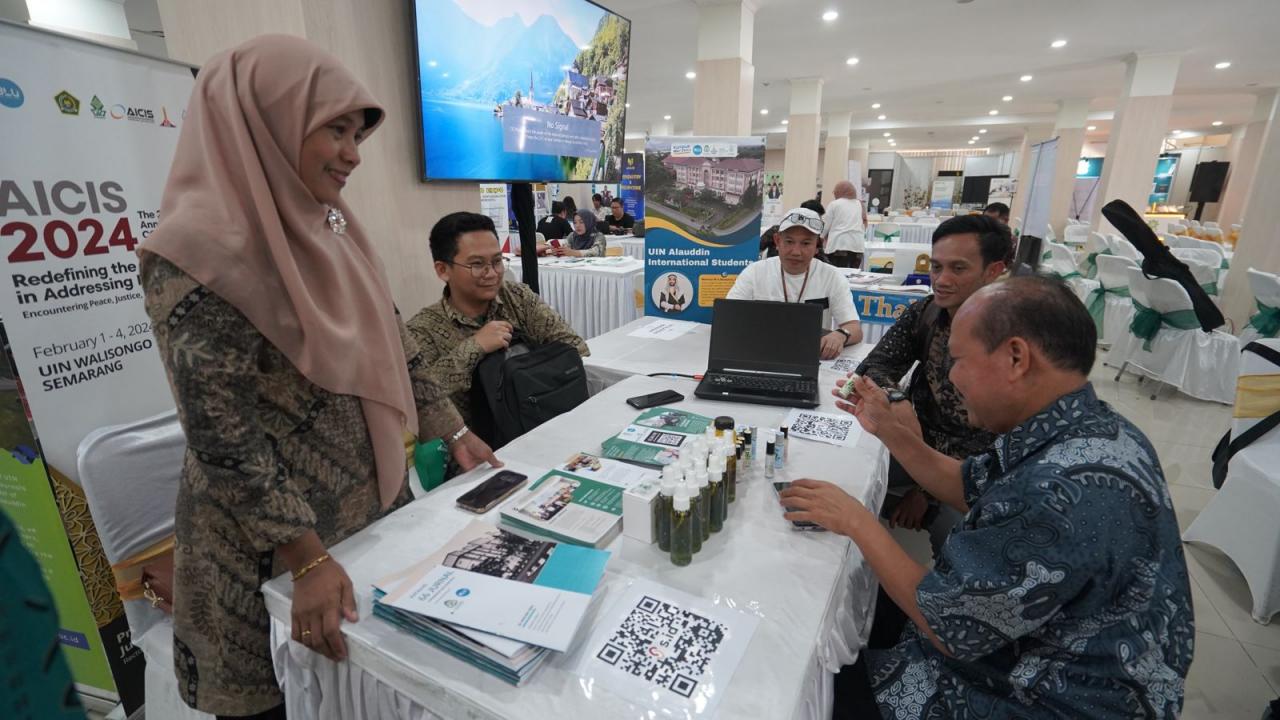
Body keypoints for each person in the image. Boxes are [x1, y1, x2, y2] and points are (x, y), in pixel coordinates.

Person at [138, 35, 499, 719]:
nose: (353, 153)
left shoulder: (332, 231)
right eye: (334, 128)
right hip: (269, 557)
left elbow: (395, 348)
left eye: (356, 133)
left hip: (366, 526)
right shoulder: (194, 254)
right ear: (264, 120)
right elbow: (223, 438)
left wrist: (452, 429)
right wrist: (303, 557)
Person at [781, 276, 1193, 719]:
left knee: (798, 671)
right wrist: (890, 430)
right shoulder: (1081, 425)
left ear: (1016, 357)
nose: (951, 377)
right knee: (846, 601)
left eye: (958, 360)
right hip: (1015, 643)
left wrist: (857, 519)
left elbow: (951, 627)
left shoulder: (1062, 490)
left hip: (1037, 696)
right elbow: (968, 484)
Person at [851, 214, 1010, 557]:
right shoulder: (927, 312)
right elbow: (874, 366)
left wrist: (926, 492)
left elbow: (995, 443)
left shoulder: (1012, 339)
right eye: (936, 267)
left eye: (958, 268)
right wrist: (896, 398)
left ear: (994, 271)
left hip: (971, 472)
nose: (941, 279)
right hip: (909, 440)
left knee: (963, 545)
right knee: (844, 469)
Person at [408, 212, 588, 428]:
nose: (492, 273)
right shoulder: (423, 330)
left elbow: (573, 346)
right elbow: (417, 397)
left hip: (538, 422)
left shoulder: (517, 297)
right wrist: (474, 347)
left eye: (497, 261)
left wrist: (523, 378)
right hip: (473, 449)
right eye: (477, 264)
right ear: (443, 270)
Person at [727, 207, 862, 359]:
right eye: (789, 241)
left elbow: (854, 328)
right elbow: (728, 317)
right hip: (761, 353)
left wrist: (840, 335)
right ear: (777, 241)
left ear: (818, 246)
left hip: (812, 356)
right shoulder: (754, 272)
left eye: (805, 243)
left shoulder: (832, 276)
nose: (796, 252)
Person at [822, 180, 868, 268]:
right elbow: (864, 224)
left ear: (839, 191)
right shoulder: (860, 204)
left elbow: (825, 226)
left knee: (837, 275)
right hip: (858, 247)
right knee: (851, 276)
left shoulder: (834, 204)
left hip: (839, 245)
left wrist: (818, 239)